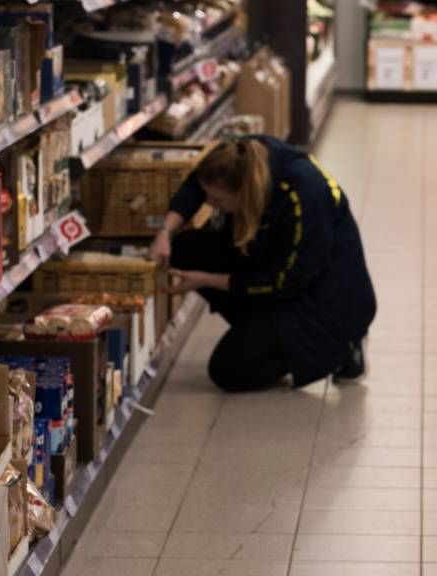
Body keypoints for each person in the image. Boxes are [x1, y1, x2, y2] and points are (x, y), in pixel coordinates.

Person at [150, 134, 375, 392]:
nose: (211, 205)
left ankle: (343, 348)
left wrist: (203, 280)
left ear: (244, 193)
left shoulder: (303, 197)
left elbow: (286, 282)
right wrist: (165, 232)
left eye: (219, 201)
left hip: (322, 301)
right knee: (184, 250)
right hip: (276, 265)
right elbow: (197, 184)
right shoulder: (243, 155)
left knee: (227, 370)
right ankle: (260, 333)